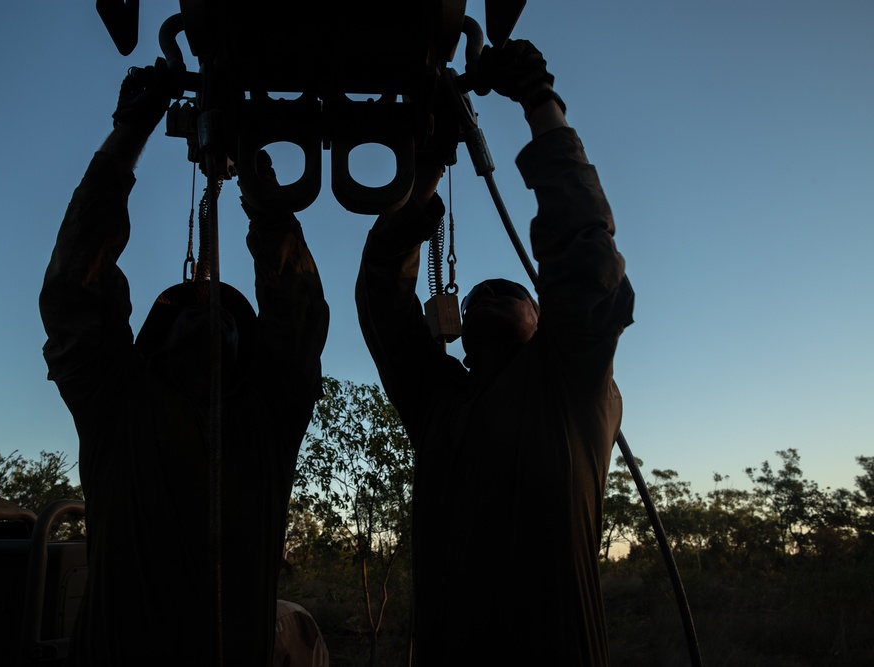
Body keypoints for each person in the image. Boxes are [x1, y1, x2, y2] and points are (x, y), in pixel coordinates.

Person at [39, 60, 329, 665]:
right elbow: (77, 282)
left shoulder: (266, 419)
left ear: (247, 352)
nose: (208, 302)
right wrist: (131, 131)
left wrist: (255, 167)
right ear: (154, 349)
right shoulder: (116, 404)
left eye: (224, 314)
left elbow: (295, 305)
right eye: (189, 309)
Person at [355, 40, 634, 664]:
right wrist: (424, 175)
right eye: (476, 296)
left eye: (508, 293)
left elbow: (586, 260)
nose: (485, 295)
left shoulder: (571, 385)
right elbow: (381, 295)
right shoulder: (438, 403)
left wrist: (540, 101)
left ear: (544, 322)